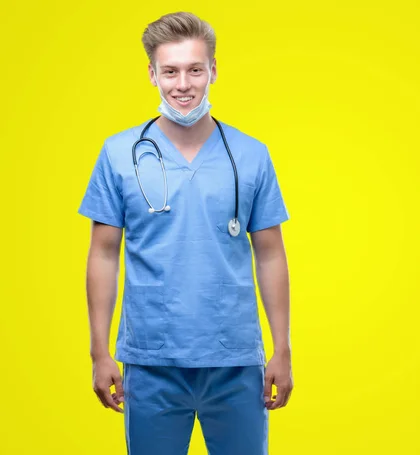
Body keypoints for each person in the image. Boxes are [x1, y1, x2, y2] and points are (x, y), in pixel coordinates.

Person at [78, 11, 293, 455]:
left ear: (213, 70)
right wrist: (100, 352)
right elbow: (103, 253)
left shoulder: (251, 155)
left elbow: (270, 254)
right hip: (152, 360)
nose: (183, 84)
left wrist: (282, 348)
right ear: (152, 73)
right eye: (170, 71)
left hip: (235, 361)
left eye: (195, 69)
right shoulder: (119, 154)